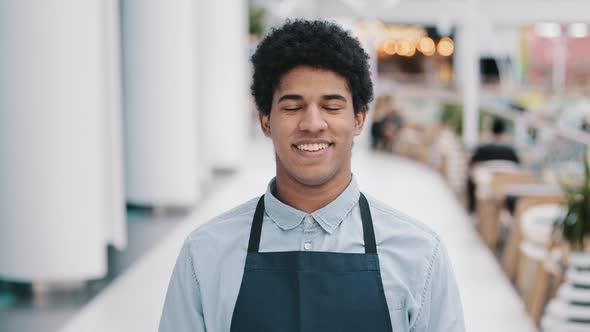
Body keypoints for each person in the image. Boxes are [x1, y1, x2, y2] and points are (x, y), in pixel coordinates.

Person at [159, 20, 464, 332]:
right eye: (292, 107)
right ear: (265, 121)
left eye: (331, 107)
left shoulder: (419, 254)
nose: (313, 123)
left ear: (359, 120)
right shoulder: (207, 253)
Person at [467, 118, 520, 212]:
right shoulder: (510, 151)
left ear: (491, 130)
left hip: (488, 190)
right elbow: (518, 168)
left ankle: (472, 209)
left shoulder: (483, 149)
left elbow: (471, 167)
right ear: (504, 131)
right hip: (507, 191)